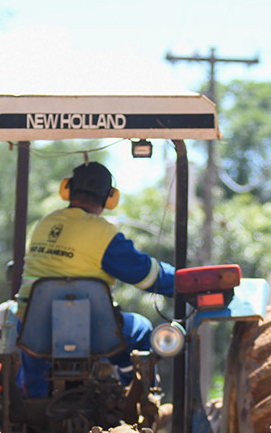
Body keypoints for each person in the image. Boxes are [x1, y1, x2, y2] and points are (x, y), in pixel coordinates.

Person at [16, 160, 175, 397]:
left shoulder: (44, 223)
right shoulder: (103, 232)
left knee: (31, 355)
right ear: (110, 197)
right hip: (93, 331)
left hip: (34, 327)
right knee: (141, 329)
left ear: (67, 189)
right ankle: (132, 398)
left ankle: (31, 404)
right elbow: (147, 275)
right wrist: (184, 280)